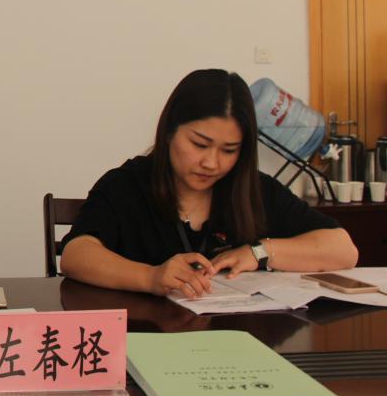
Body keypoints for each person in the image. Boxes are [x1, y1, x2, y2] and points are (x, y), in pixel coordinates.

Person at [60, 69, 357, 299]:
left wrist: (259, 252)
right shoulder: (128, 184)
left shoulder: (252, 189)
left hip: (238, 344)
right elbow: (76, 255)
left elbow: (343, 250)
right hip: (144, 340)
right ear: (169, 131)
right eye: (199, 144)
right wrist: (151, 277)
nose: (212, 163)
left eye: (229, 150)